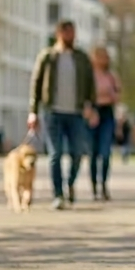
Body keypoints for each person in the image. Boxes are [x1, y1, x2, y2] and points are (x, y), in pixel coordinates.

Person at [30, 20, 97, 209]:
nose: (71, 36)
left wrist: (91, 106)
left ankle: (70, 184)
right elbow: (36, 84)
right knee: (55, 153)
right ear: (59, 33)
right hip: (53, 112)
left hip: (76, 112)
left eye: (73, 33)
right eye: (67, 32)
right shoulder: (48, 57)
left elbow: (91, 85)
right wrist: (33, 112)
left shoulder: (82, 58)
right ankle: (58, 195)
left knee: (77, 153)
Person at [89, 46, 122, 201]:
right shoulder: (88, 76)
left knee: (105, 151)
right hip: (92, 112)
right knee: (93, 152)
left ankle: (104, 184)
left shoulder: (111, 76)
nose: (103, 59)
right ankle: (94, 185)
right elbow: (86, 95)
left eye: (105, 56)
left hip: (107, 112)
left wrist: (112, 95)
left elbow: (117, 95)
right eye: (100, 56)